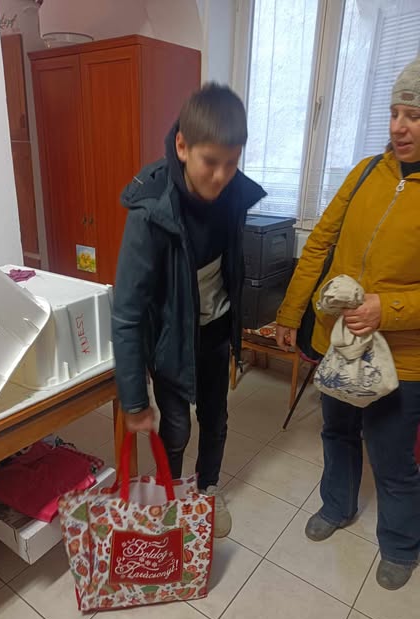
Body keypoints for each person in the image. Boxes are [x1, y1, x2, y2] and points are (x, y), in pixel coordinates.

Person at [276, 56, 420, 590]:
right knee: (336, 431)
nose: (399, 126)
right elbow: (319, 244)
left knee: (391, 455)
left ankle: (400, 544)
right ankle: (337, 505)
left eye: (414, 116)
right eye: (395, 113)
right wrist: (290, 313)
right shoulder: (363, 173)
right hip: (341, 343)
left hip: (403, 356)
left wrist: (391, 308)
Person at [112, 83, 266, 538]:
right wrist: (134, 401)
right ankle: (171, 495)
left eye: (231, 163)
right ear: (182, 146)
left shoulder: (234, 194)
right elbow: (127, 312)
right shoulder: (151, 210)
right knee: (176, 426)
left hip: (215, 330)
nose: (221, 176)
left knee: (215, 419)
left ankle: (208, 489)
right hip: (171, 339)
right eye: (210, 162)